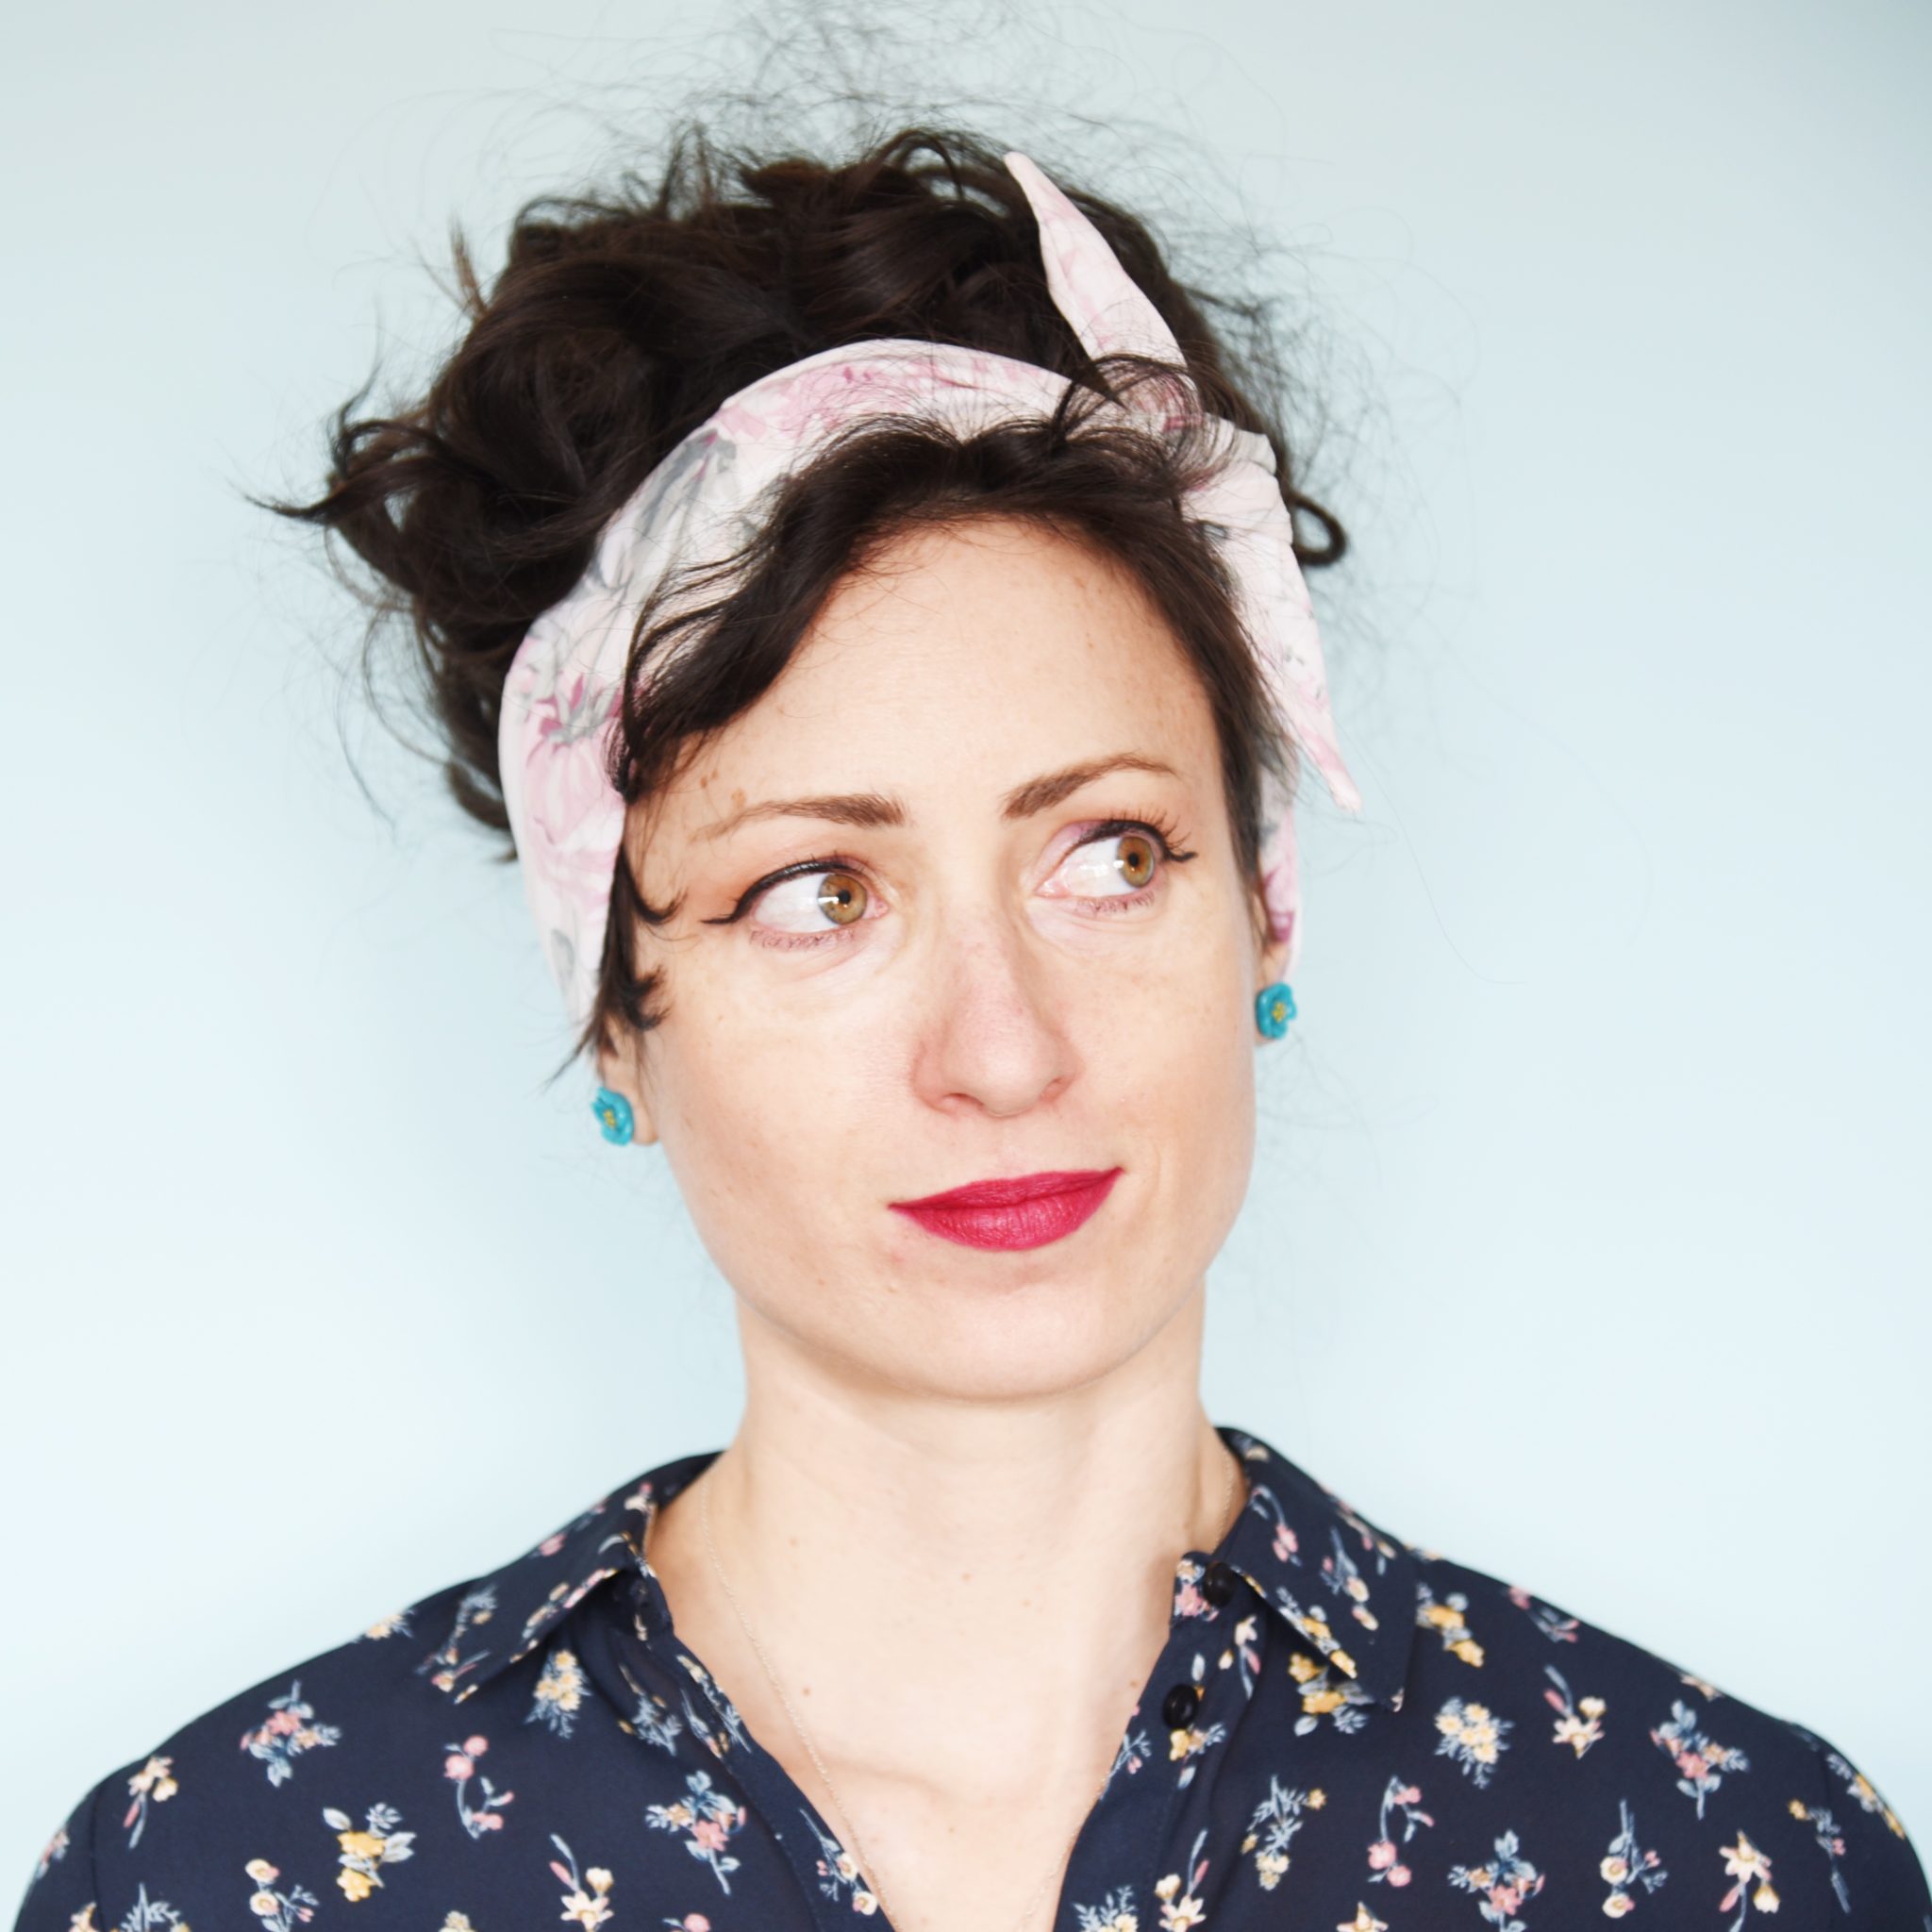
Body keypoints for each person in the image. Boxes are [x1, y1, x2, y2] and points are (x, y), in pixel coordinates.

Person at [14, 125, 1927, 1932]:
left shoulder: (1727, 1862)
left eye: (1109, 856)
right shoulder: (236, 1878)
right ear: (617, 1017)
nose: (1002, 1053)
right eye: (815, 891)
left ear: (1263, 909)